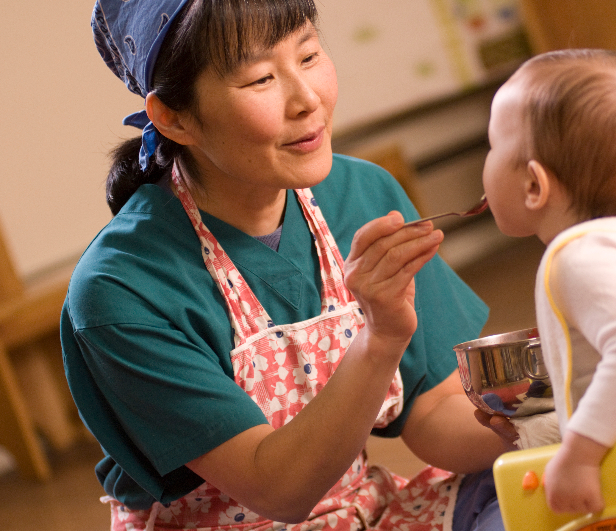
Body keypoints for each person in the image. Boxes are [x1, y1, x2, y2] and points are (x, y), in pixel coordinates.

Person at [61, 1, 511, 530]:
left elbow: (434, 414)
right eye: (260, 79)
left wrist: (570, 414)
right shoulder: (120, 287)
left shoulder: (362, 195)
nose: (307, 100)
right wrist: (379, 338)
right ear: (174, 117)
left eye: (309, 55)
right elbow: (278, 491)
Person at [480, 49, 616, 515]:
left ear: (534, 186)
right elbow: (612, 381)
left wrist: (579, 457)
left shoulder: (576, 257)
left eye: (493, 145)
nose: (486, 161)